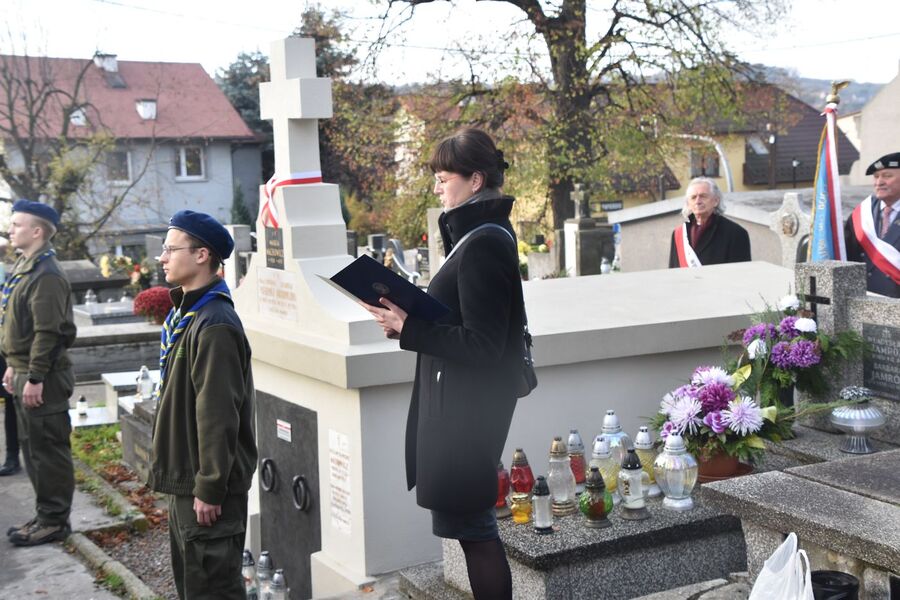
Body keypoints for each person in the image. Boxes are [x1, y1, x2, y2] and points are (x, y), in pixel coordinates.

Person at [364, 128, 522, 600]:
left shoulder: (484, 244)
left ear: (475, 180)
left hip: (467, 412)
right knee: (469, 530)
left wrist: (409, 329)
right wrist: (409, 318)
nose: (436, 186)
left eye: (443, 177)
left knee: (476, 531)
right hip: (459, 404)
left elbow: (485, 343)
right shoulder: (472, 236)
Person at [147, 210, 257, 600]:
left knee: (211, 588)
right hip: (189, 478)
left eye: (170, 249)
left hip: (205, 485)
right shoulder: (189, 315)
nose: (162, 258)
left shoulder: (215, 325)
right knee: (193, 584)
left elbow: (218, 415)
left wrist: (210, 487)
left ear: (201, 255)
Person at [2, 200, 77, 546]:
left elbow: (47, 333)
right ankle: (45, 514)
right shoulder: (26, 266)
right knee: (33, 450)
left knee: (48, 451)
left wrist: (34, 377)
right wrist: (14, 369)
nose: (10, 229)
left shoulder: (47, 274)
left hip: (43, 377)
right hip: (24, 370)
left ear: (36, 231)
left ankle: (55, 520)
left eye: (16, 224)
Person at [844, 152, 900, 297]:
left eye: (887, 176)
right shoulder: (862, 213)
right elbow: (846, 255)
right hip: (864, 300)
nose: (879, 182)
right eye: (876, 177)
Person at [668, 177, 751, 268]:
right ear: (688, 204)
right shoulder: (678, 234)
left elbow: (741, 275)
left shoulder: (735, 233)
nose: (698, 201)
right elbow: (674, 272)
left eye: (703, 196)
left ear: (716, 201)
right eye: (693, 197)